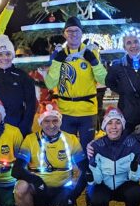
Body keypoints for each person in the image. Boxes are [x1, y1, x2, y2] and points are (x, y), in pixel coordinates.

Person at [11, 102, 87, 206]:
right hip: (38, 189)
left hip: (62, 190)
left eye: (55, 120)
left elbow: (85, 170)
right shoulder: (30, 139)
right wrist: (36, 180)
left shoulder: (71, 139)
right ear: (40, 122)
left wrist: (72, 196)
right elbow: (16, 170)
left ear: (60, 122)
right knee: (21, 186)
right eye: (46, 121)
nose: (51, 125)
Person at [44, 16, 107, 150]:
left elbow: (103, 79)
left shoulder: (91, 51)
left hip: (87, 111)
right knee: (67, 149)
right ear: (64, 34)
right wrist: (57, 62)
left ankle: (87, 165)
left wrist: (94, 62)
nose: (73, 34)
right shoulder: (58, 54)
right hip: (66, 112)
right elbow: (50, 84)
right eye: (69, 31)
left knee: (88, 149)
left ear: (81, 33)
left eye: (76, 31)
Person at [86, 107, 140, 206]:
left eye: (118, 122)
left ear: (123, 125)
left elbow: (136, 178)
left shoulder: (132, 144)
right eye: (109, 123)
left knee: (137, 191)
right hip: (104, 185)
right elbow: (97, 180)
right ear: (104, 126)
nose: (114, 126)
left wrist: (135, 168)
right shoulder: (96, 145)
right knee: (94, 193)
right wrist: (93, 170)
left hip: (124, 185)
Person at [0, 35, 38, 137]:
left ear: (12, 55)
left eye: (8, 54)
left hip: (18, 127)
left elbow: (31, 104)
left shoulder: (22, 76)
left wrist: (24, 127)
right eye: (0, 54)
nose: (4, 58)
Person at [105, 31, 140, 133]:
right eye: (129, 43)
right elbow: (109, 81)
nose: (133, 46)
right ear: (124, 47)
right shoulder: (118, 66)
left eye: (136, 41)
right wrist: (123, 90)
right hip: (128, 114)